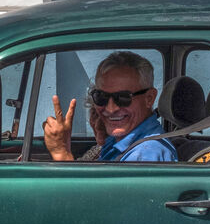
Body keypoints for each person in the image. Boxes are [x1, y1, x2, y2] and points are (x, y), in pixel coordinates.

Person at [43, 51, 178, 162]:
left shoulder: (145, 155)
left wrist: (62, 154)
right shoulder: (122, 142)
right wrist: (103, 140)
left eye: (123, 98)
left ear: (149, 98)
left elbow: (98, 196)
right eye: (101, 97)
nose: (110, 108)